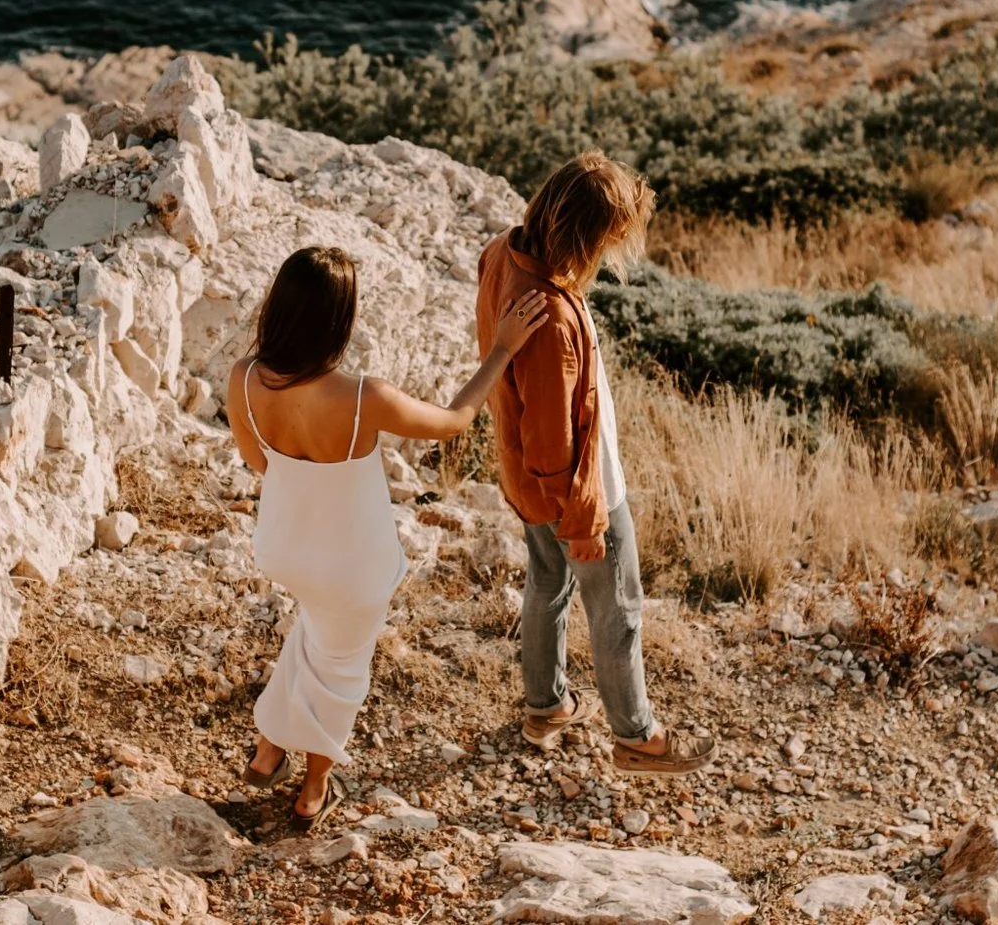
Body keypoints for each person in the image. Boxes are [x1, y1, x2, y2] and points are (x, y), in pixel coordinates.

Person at [227, 245, 550, 832]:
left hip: (286, 546)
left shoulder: (244, 377)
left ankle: (268, 751)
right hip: (351, 567)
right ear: (338, 321)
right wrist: (503, 347)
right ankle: (313, 791)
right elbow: (453, 422)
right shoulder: (360, 396)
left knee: (313, 634)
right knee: (342, 667)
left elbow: (259, 461)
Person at [478, 152, 714, 774]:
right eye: (609, 238)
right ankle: (636, 736)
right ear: (585, 235)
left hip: (523, 480)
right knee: (618, 608)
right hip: (581, 491)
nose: (612, 252)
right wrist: (583, 520)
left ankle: (545, 705)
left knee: (546, 584)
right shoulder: (552, 318)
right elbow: (555, 444)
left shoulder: (503, 252)